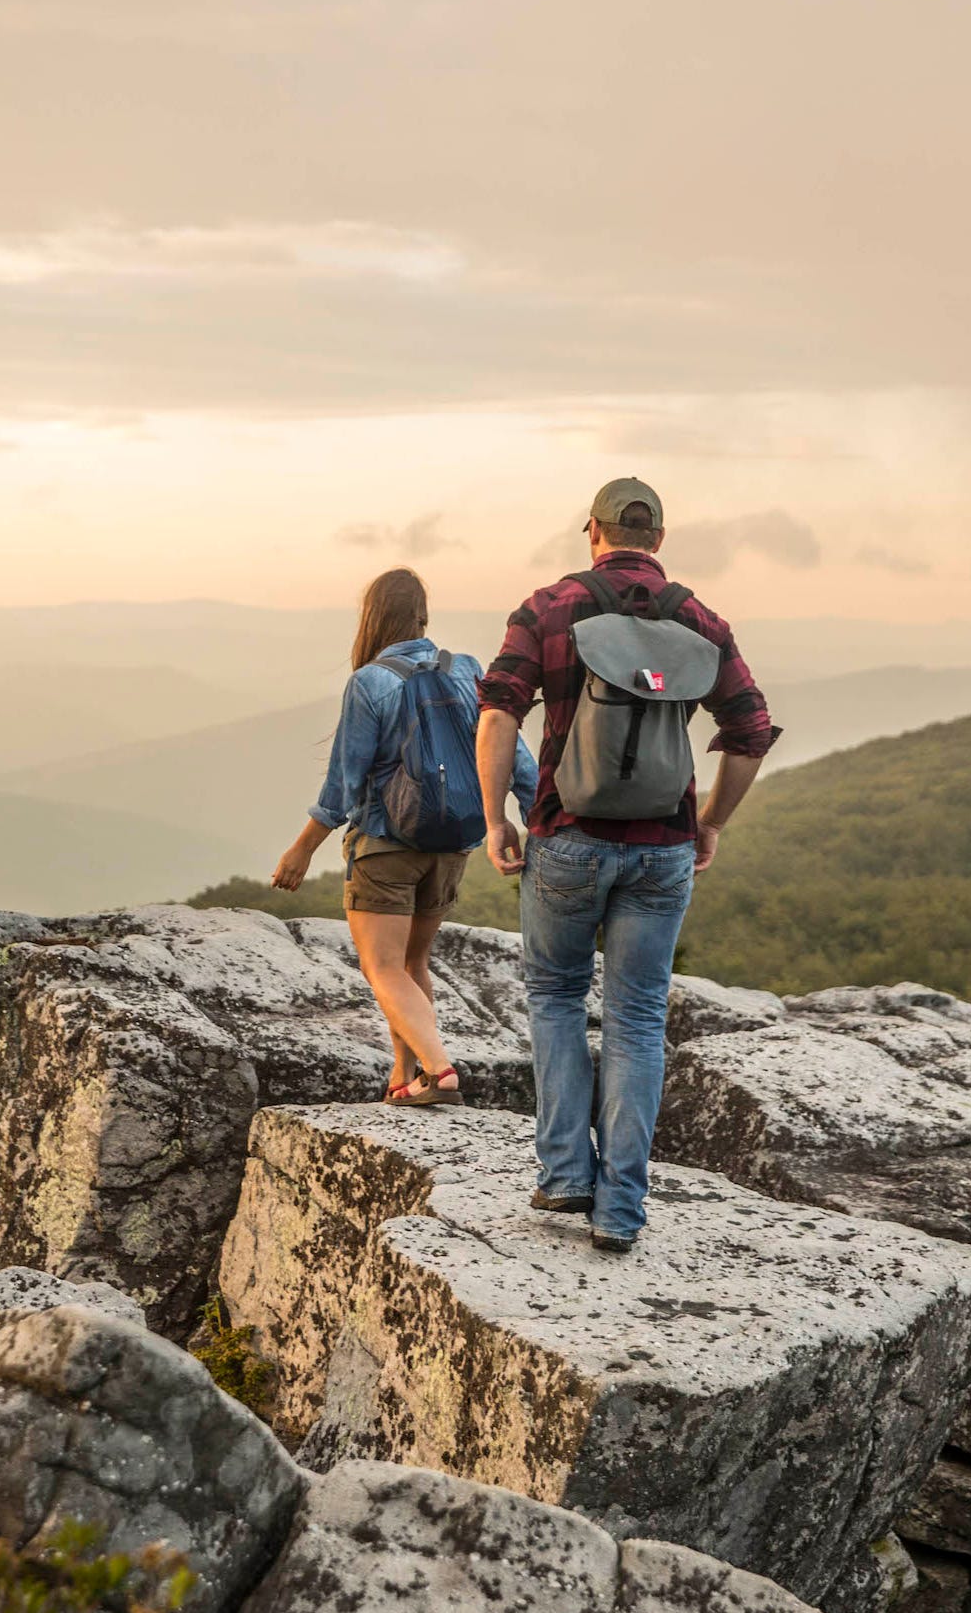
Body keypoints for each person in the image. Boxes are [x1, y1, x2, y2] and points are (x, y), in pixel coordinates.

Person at [474, 478, 779, 1251]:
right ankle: (620, 1210)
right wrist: (710, 823)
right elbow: (750, 731)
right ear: (660, 540)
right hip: (662, 848)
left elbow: (499, 711)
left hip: (567, 836)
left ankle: (566, 1174)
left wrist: (495, 819)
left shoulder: (548, 607)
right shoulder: (697, 619)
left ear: (592, 533)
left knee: (555, 996)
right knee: (639, 1018)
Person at [273, 566, 539, 1104]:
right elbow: (513, 754)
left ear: (373, 619)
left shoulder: (371, 681)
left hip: (386, 847)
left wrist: (302, 848)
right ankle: (405, 1075)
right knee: (413, 964)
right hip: (450, 844)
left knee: (383, 968)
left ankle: (439, 1072)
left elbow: (344, 782)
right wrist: (531, 820)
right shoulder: (465, 669)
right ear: (423, 616)